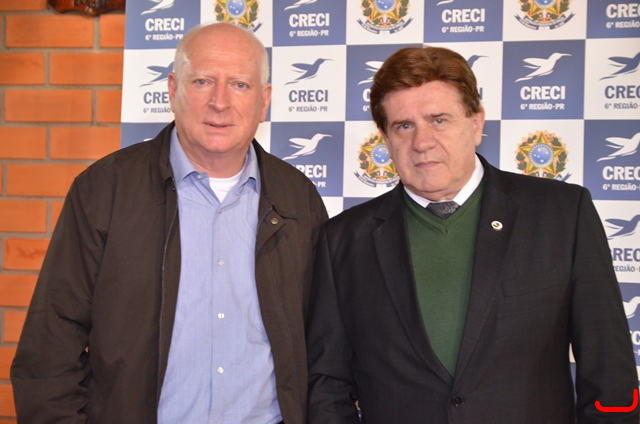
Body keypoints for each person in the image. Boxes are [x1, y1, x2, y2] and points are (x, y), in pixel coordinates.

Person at [11, 22, 327, 423]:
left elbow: (325, 349)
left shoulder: (299, 199)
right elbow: (50, 350)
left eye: (239, 85)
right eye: (202, 81)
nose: (219, 102)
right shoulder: (104, 191)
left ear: (264, 101)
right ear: (173, 90)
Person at [305, 46, 638, 423]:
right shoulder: (343, 241)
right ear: (384, 136)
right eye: (404, 126)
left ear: (476, 123)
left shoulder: (562, 214)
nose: (422, 142)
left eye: (439, 120)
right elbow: (327, 386)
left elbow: (610, 376)